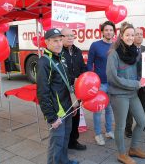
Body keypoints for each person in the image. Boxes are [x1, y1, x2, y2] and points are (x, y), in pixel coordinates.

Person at [107, 22, 145, 164]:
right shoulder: (114, 53)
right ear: (121, 36)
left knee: (142, 121)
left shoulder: (135, 52)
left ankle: (133, 148)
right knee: (121, 126)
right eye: (128, 35)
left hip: (132, 93)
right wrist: (135, 84)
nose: (131, 37)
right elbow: (113, 78)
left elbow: (138, 71)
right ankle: (122, 154)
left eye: (133, 34)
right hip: (119, 95)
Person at [37, 28, 79, 164]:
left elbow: (66, 84)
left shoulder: (61, 57)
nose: (59, 44)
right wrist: (52, 117)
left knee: (65, 140)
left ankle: (64, 161)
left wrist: (73, 105)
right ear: (47, 42)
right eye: (55, 41)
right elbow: (42, 93)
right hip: (57, 113)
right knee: (56, 144)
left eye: (60, 40)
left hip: (67, 108)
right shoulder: (44, 62)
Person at [87, 21, 115, 146]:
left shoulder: (116, 46)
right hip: (100, 84)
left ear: (114, 32)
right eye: (106, 30)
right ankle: (98, 134)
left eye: (111, 30)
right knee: (98, 110)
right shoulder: (95, 45)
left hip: (113, 84)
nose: (109, 32)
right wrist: (92, 82)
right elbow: (89, 64)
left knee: (109, 109)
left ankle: (109, 131)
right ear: (102, 32)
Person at [125, 27, 145, 138]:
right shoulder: (127, 49)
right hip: (132, 83)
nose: (139, 36)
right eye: (136, 34)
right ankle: (128, 128)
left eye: (141, 34)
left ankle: (142, 123)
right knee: (130, 107)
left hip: (144, 84)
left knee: (143, 104)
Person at [61, 27, 87, 151]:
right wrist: (74, 79)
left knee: (76, 115)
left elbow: (82, 66)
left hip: (77, 89)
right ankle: (64, 142)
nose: (70, 38)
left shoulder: (78, 51)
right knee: (66, 116)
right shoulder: (59, 52)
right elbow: (62, 71)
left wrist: (84, 76)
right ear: (61, 38)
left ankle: (73, 141)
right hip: (64, 90)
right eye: (67, 36)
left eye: (72, 35)